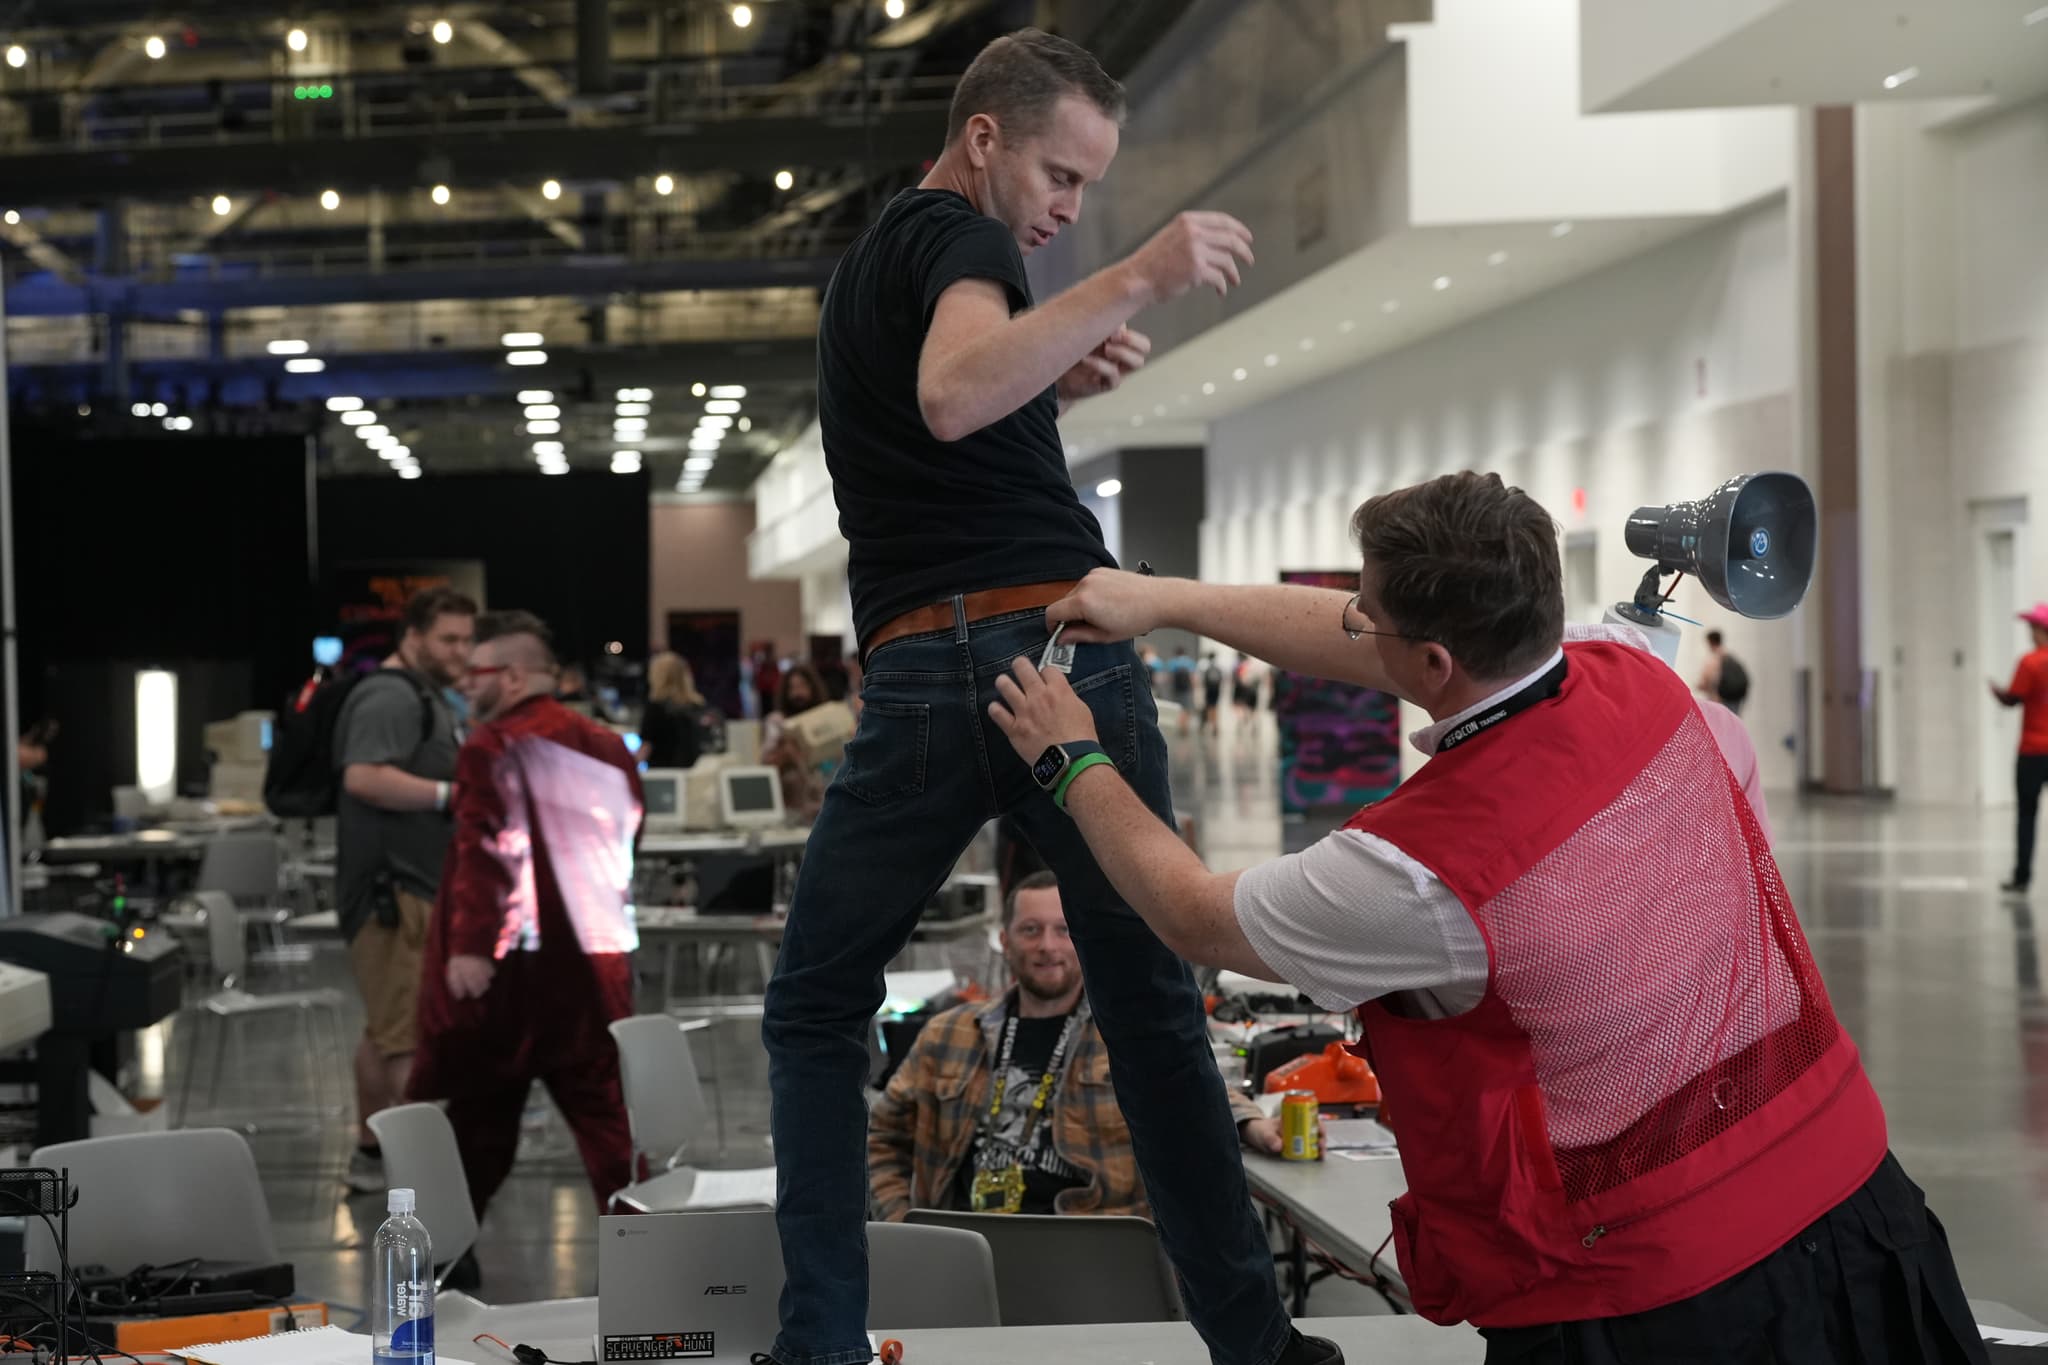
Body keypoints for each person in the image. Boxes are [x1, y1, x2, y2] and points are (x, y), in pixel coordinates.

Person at [989, 471, 1984, 1365]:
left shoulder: (1414, 874)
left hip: (1651, 1297)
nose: (1348, 626)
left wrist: (1072, 759)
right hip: (1850, 1198)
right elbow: (1386, 647)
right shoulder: (1636, 674)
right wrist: (1160, 602)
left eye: (1360, 615)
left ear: (1429, 663)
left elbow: (1194, 915)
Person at [764, 26, 1326, 1365]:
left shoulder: (879, 266)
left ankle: (821, 1344)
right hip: (1059, 647)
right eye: (1063, 178)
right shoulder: (964, 243)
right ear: (985, 139)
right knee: (1149, 1008)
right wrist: (1138, 275)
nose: (1071, 210)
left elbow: (949, 425)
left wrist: (1052, 383)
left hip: (922, 665)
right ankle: (1254, 1341)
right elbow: (957, 399)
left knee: (815, 1008)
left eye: (1093, 193)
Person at [408, 610, 643, 1231]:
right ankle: (646, 1259)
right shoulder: (608, 745)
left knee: (479, 1128)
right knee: (612, 1135)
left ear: (510, 676)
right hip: (595, 968)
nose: (465, 684)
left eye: (475, 671)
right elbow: (625, 841)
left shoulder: (491, 746)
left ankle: (445, 1265)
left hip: (514, 976)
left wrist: (471, 948)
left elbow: (487, 849)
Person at [868, 872, 1281, 1220]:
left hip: (1091, 1243)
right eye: (1031, 930)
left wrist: (1254, 1126)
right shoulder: (948, 1034)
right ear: (1005, 941)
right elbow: (880, 1135)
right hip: (964, 1242)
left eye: (1063, 930)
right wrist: (903, 1223)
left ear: (1084, 938)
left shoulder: (1128, 1034)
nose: (1047, 946)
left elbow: (1200, 1091)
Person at [334, 585, 475, 1194]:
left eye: (468, 639)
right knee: (407, 1041)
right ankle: (419, 1188)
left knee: (386, 1028)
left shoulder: (422, 695)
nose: (461, 651)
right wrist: (452, 795)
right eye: (448, 639)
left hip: (406, 891)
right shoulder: (391, 697)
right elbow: (364, 776)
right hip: (396, 897)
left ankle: (370, 1158)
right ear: (412, 636)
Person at [1992, 603, 2048, 896]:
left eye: (2032, 629)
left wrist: (1997, 693)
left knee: (2027, 815)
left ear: (2040, 631)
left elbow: (2013, 699)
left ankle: (2022, 877)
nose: (2030, 634)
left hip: (2033, 752)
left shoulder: (2030, 663)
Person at [641, 651, 708, 770]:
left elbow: (645, 749)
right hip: (693, 774)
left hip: (664, 778)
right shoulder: (697, 706)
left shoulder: (656, 707)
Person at [1696, 629, 1750, 715]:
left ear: (1710, 642)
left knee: (1718, 725)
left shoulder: (1714, 659)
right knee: (1732, 722)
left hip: (1719, 700)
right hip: (1735, 699)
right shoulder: (1730, 657)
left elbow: (1705, 681)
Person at [1201, 653, 1226, 736]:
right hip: (1216, 690)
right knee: (1215, 707)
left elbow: (1204, 680)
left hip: (1209, 690)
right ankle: (1215, 726)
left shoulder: (1207, 668)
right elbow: (1221, 679)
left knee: (1208, 707)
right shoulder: (1218, 668)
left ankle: (1208, 726)